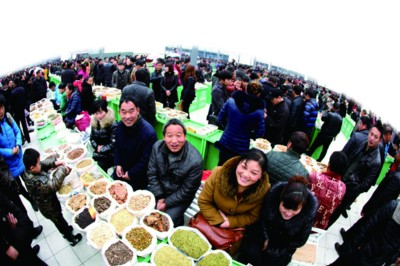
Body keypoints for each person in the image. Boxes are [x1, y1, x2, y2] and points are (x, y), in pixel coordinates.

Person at [198, 149, 271, 255]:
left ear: (261, 175)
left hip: (232, 234)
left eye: (253, 173)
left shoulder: (264, 190)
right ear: (238, 163)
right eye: (244, 167)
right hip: (207, 222)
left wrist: (230, 222)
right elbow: (204, 201)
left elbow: (253, 216)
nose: (245, 175)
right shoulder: (219, 173)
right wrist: (219, 221)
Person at [239, 176, 318, 266]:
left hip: (283, 246)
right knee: (250, 255)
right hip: (261, 235)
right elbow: (262, 220)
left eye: (295, 210)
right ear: (280, 199)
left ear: (302, 207)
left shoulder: (308, 214)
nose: (288, 213)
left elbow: (300, 240)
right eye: (286, 207)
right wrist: (266, 238)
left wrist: (273, 244)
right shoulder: (271, 198)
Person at [147, 119, 203, 226]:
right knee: (148, 212)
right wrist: (160, 197)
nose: (174, 141)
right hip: (160, 191)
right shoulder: (156, 148)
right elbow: (152, 174)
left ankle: (177, 223)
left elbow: (187, 191)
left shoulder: (195, 160)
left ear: (185, 137)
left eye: (178, 135)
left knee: (165, 221)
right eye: (169, 136)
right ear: (164, 137)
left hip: (181, 197)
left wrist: (166, 203)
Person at [21, 148, 82, 246]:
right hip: (49, 208)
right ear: (32, 167)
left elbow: (43, 163)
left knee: (60, 219)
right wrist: (63, 169)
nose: (40, 164)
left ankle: (66, 229)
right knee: (59, 221)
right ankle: (71, 238)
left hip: (50, 202)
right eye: (38, 164)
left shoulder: (28, 170)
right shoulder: (35, 182)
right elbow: (53, 185)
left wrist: (54, 162)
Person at [327, 125, 382, 227]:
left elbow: (365, 185)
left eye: (376, 137)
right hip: (341, 180)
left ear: (379, 140)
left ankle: (324, 228)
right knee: (328, 205)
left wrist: (348, 190)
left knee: (335, 212)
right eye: (371, 134)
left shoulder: (376, 162)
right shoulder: (363, 143)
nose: (371, 138)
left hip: (349, 191)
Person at [330, 200, 400, 266]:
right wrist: (351, 246)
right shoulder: (393, 207)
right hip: (360, 250)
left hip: (375, 260)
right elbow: (368, 225)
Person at [0, 94, 38, 211]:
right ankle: (29, 199)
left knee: (28, 180)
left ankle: (33, 198)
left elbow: (17, 131)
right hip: (9, 164)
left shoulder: (8, 117)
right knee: (19, 187)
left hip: (19, 157)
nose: (0, 111)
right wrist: (10, 152)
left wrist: (18, 144)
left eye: (1, 107)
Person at [215, 81, 265, 165]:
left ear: (246, 89)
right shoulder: (259, 112)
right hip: (241, 147)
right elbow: (260, 133)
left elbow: (220, 118)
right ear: (259, 94)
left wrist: (228, 128)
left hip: (226, 141)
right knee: (234, 171)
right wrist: (249, 135)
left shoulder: (231, 101)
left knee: (221, 166)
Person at [113, 96, 157, 190]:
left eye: (131, 111)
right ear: (119, 112)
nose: (127, 116)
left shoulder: (149, 132)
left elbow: (146, 160)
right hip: (121, 172)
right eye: (124, 112)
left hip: (139, 178)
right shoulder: (120, 125)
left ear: (138, 110)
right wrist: (118, 164)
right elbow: (117, 146)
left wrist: (131, 174)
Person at [0, 191, 46, 266]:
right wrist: (6, 247)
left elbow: (8, 203)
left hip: (12, 228)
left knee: (26, 250)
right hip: (6, 245)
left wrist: (22, 220)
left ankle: (30, 253)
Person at [309, 151, 348, 229]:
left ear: (329, 164)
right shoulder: (342, 188)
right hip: (319, 227)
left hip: (303, 220)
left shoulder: (315, 176)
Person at [360, 152, 400, 217]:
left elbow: (383, 196)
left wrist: (369, 209)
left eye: (399, 154)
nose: (397, 154)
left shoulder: (397, 178)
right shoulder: (395, 166)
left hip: (376, 208)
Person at [90, 100, 117, 172]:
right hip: (99, 153)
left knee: (100, 169)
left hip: (111, 155)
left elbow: (114, 143)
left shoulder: (112, 124)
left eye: (101, 113)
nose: (98, 116)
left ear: (106, 111)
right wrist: (97, 147)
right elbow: (91, 138)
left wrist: (102, 149)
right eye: (96, 113)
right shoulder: (94, 122)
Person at [10, 78, 31, 144]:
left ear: (14, 83)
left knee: (18, 126)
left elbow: (12, 103)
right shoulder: (22, 89)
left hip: (16, 112)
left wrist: (12, 112)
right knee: (24, 124)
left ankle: (22, 139)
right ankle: (28, 138)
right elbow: (26, 97)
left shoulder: (12, 92)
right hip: (22, 109)